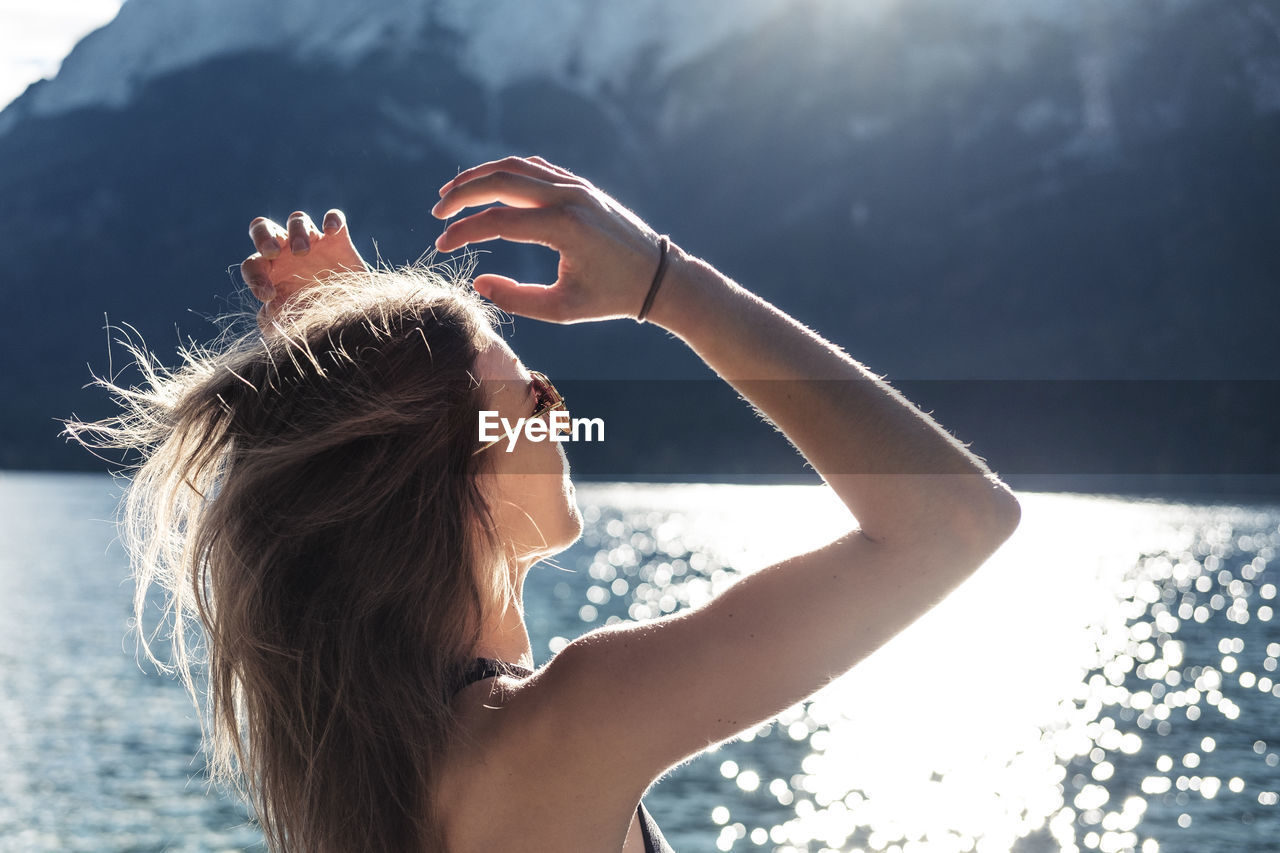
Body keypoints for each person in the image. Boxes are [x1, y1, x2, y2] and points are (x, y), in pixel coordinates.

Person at [66, 155, 1020, 853]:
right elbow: (955, 521)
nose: (558, 421)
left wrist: (361, 356)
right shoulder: (560, 729)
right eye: (537, 399)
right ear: (447, 476)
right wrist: (664, 281)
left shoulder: (364, 762)